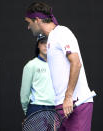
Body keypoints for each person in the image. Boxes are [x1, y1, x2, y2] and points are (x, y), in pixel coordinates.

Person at [24, 2, 93, 131]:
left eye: (29, 22)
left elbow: (76, 63)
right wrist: (59, 106)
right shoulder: (51, 39)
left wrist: (68, 97)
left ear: (37, 20)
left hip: (76, 103)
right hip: (62, 106)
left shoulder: (62, 32)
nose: (28, 27)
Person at [20, 34, 55, 117]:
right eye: (43, 43)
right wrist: (27, 112)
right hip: (36, 108)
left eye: (48, 42)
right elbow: (24, 93)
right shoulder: (31, 65)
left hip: (55, 109)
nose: (46, 45)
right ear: (38, 45)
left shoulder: (57, 65)